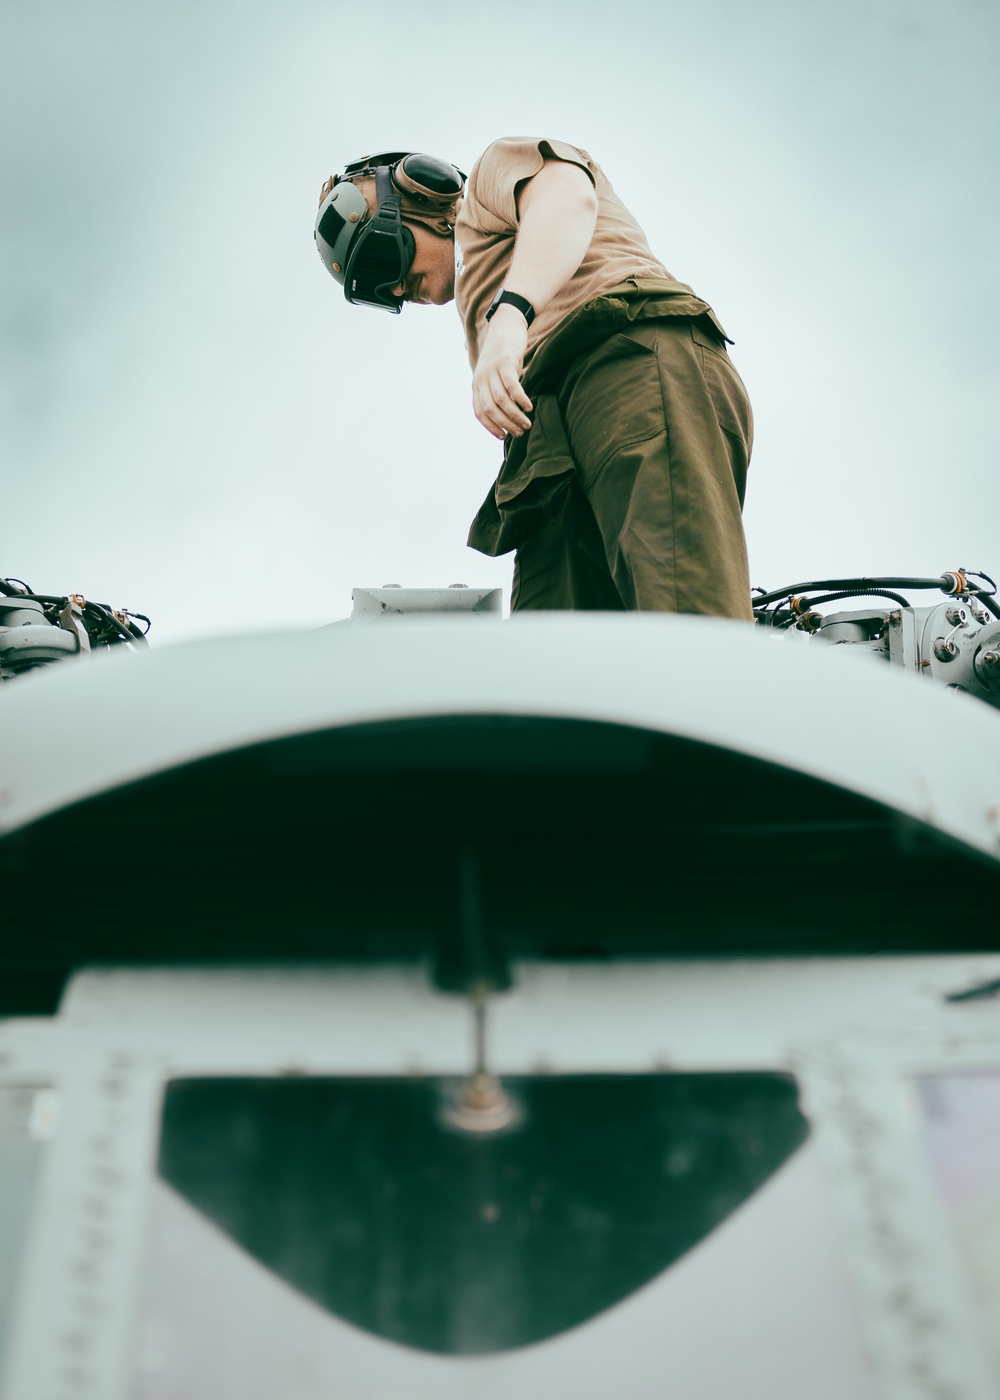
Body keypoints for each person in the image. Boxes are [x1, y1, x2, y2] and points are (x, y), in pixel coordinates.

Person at [315, 139, 754, 618]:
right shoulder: (477, 292)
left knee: (684, 611)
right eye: (378, 290)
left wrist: (511, 317)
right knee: (555, 650)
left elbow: (568, 194)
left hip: (625, 360)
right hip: (547, 449)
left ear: (424, 194)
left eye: (383, 260)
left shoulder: (487, 183)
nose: (396, 286)